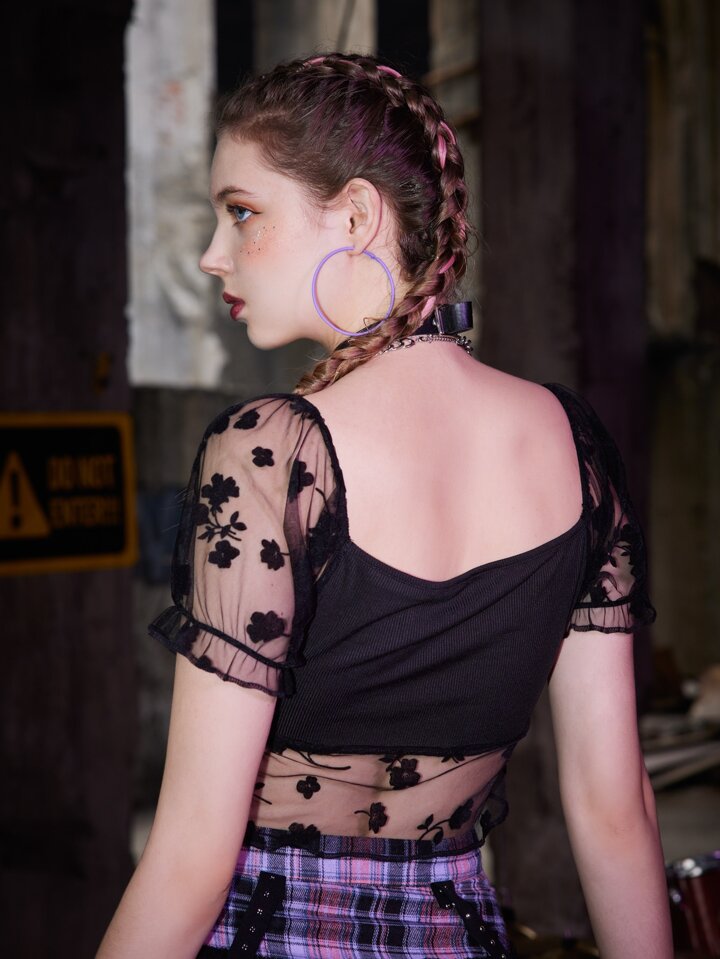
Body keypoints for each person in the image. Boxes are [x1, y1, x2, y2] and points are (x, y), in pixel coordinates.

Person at [97, 53, 673, 959]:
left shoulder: (270, 453)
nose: (213, 253)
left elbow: (191, 853)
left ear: (358, 215)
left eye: (241, 211)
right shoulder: (575, 446)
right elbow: (613, 806)